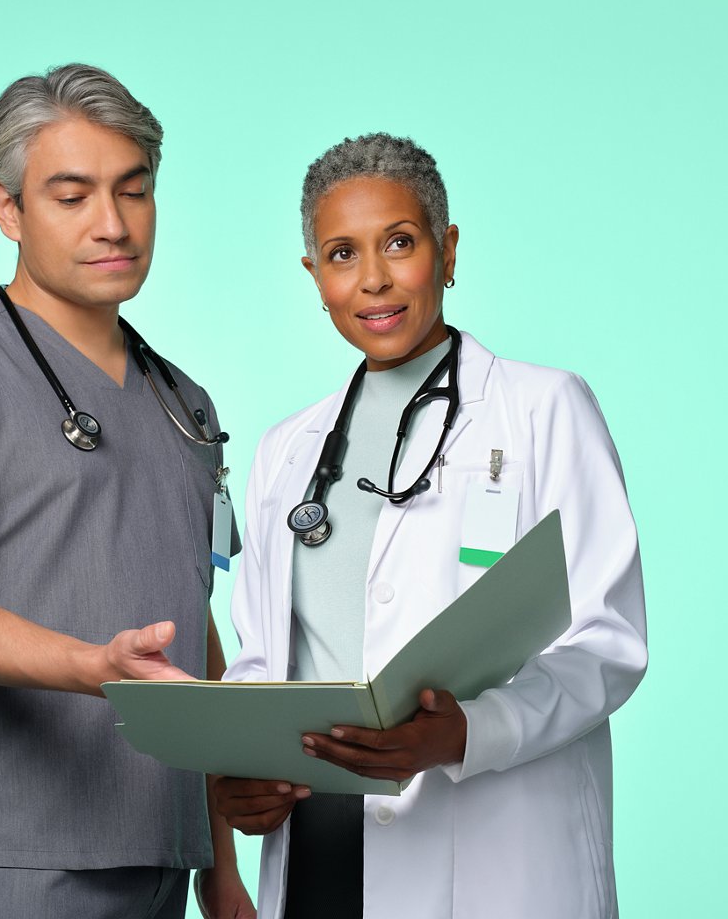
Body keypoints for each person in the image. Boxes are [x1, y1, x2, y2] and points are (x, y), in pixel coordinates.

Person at [213, 133, 647, 918]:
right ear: (314, 277)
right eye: (342, 254)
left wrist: (471, 734)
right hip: (319, 846)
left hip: (493, 854)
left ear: (447, 252)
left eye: (400, 244)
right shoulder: (287, 451)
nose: (373, 278)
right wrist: (247, 772)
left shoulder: (544, 409)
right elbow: (264, 661)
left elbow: (607, 641)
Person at [0, 64, 254, 919]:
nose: (112, 225)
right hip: (23, 856)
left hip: (167, 850)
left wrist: (221, 869)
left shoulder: (185, 403)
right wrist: (95, 670)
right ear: (9, 209)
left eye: (134, 192)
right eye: (72, 196)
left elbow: (194, 617)